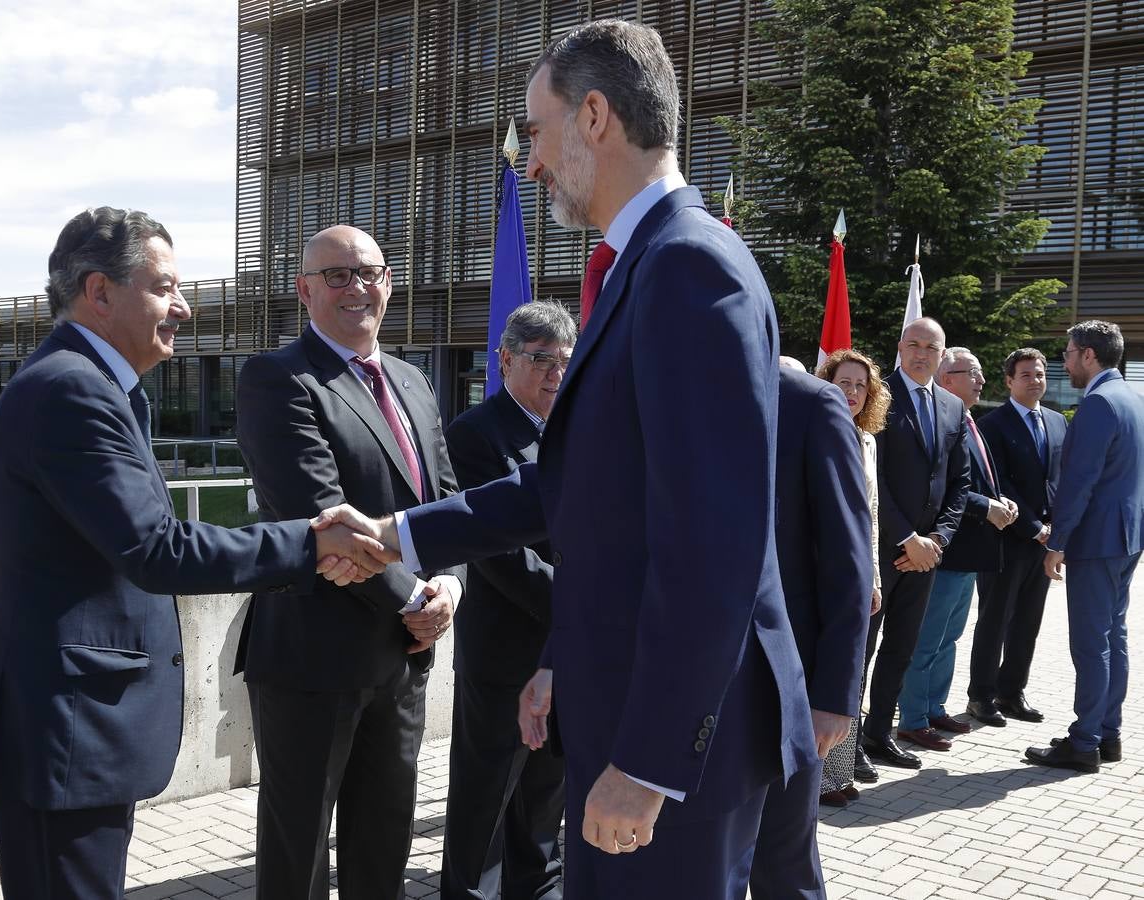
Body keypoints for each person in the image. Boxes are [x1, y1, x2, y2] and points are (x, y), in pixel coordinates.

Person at [323, 20, 817, 898]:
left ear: (595, 117)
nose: (532, 161)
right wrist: (400, 532)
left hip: (667, 752)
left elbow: (714, 546)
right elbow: (581, 491)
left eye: (538, 132)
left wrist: (652, 763)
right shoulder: (648, 266)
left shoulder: (688, 269)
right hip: (623, 706)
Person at [0, 207, 392, 899]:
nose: (183, 307)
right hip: (65, 734)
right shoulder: (69, 390)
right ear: (99, 292)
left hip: (76, 729)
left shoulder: (92, 385)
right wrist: (312, 542)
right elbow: (158, 549)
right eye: (164, 287)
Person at [233, 224, 466, 898]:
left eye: (369, 271)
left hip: (402, 658)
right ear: (305, 291)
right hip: (311, 660)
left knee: (383, 843)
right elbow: (324, 516)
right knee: (298, 850)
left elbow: (448, 505)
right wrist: (416, 601)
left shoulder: (414, 382)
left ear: (388, 283)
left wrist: (451, 583)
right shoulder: (277, 379)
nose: (356, 286)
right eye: (336, 275)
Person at [440, 300, 575, 900]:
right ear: (505, 361)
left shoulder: (574, 428)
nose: (554, 373)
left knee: (546, 797)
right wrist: (580, 606)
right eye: (540, 359)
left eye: (563, 361)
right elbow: (496, 552)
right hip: (506, 652)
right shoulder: (476, 434)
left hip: (565, 648)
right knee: (488, 797)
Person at [748, 363, 872, 895]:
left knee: (783, 860)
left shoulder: (807, 404)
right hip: (688, 693)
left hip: (784, 689)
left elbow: (848, 562)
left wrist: (834, 694)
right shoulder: (658, 388)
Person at [1027, 320, 1144, 773]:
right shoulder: (1133, 397)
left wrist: (1058, 542)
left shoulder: (1097, 403)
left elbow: (1079, 483)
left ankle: (1084, 742)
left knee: (1091, 643)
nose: (1065, 360)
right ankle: (1106, 733)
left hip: (1097, 540)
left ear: (1089, 355)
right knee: (1113, 637)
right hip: (1127, 538)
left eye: (1069, 352)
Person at [896, 349, 1015, 752]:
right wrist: (987, 506)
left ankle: (933, 708)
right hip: (947, 548)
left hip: (968, 554)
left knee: (950, 636)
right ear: (947, 379)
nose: (982, 381)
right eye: (973, 373)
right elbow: (948, 486)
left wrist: (1001, 499)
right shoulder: (943, 422)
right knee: (928, 638)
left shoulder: (968, 420)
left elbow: (971, 479)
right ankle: (911, 718)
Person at [865, 317, 970, 769]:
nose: (922, 353)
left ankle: (877, 736)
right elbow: (874, 478)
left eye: (931, 346)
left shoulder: (952, 406)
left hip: (926, 554)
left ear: (943, 354)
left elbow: (959, 483)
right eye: (914, 344)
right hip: (882, 548)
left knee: (901, 646)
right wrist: (907, 538)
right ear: (900, 347)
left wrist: (936, 541)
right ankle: (843, 752)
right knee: (863, 649)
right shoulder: (877, 396)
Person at [967, 348, 1066, 726]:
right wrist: (1034, 528)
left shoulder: (1058, 422)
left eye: (1039, 374)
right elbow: (999, 484)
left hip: (1045, 544)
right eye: (1025, 375)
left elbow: (1061, 479)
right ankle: (981, 696)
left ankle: (1012, 692)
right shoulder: (992, 424)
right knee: (995, 619)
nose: (1035, 380)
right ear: (1009, 381)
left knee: (1028, 621)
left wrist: (1057, 529)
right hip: (1007, 540)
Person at [815, 348, 891, 798]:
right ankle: (816, 777)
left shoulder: (868, 441)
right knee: (823, 670)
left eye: (862, 385)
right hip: (822, 569)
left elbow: (873, 513)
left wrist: (875, 577)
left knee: (852, 670)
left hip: (860, 570)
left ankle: (839, 772)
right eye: (844, 382)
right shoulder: (817, 430)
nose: (853, 392)